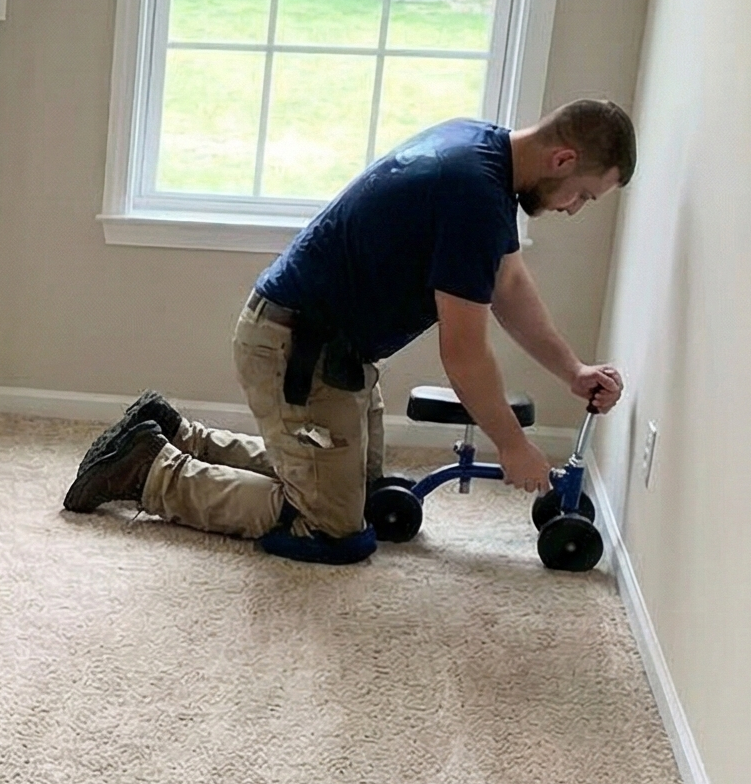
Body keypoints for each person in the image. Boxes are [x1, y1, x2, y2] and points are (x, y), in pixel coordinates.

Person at [62, 100, 634, 562]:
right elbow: (464, 353)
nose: (576, 208)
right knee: (334, 529)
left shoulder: (482, 151)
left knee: (357, 491)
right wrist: (512, 444)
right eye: (584, 194)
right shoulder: (475, 198)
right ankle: (147, 470)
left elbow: (508, 284)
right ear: (562, 159)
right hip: (296, 352)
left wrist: (572, 371)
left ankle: (175, 433)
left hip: (331, 352)